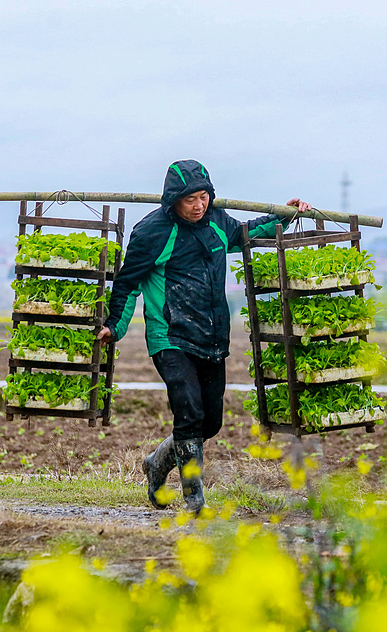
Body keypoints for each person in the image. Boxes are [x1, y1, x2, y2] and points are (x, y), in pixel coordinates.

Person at [97, 159, 311, 514]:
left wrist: (284, 216)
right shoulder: (151, 232)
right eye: (190, 200)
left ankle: (156, 463)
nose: (199, 206)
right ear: (173, 201)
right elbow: (127, 283)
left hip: (212, 339)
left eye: (204, 197)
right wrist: (114, 326)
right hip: (170, 337)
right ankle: (195, 501)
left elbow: (246, 234)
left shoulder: (216, 222)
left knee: (209, 422)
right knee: (189, 413)